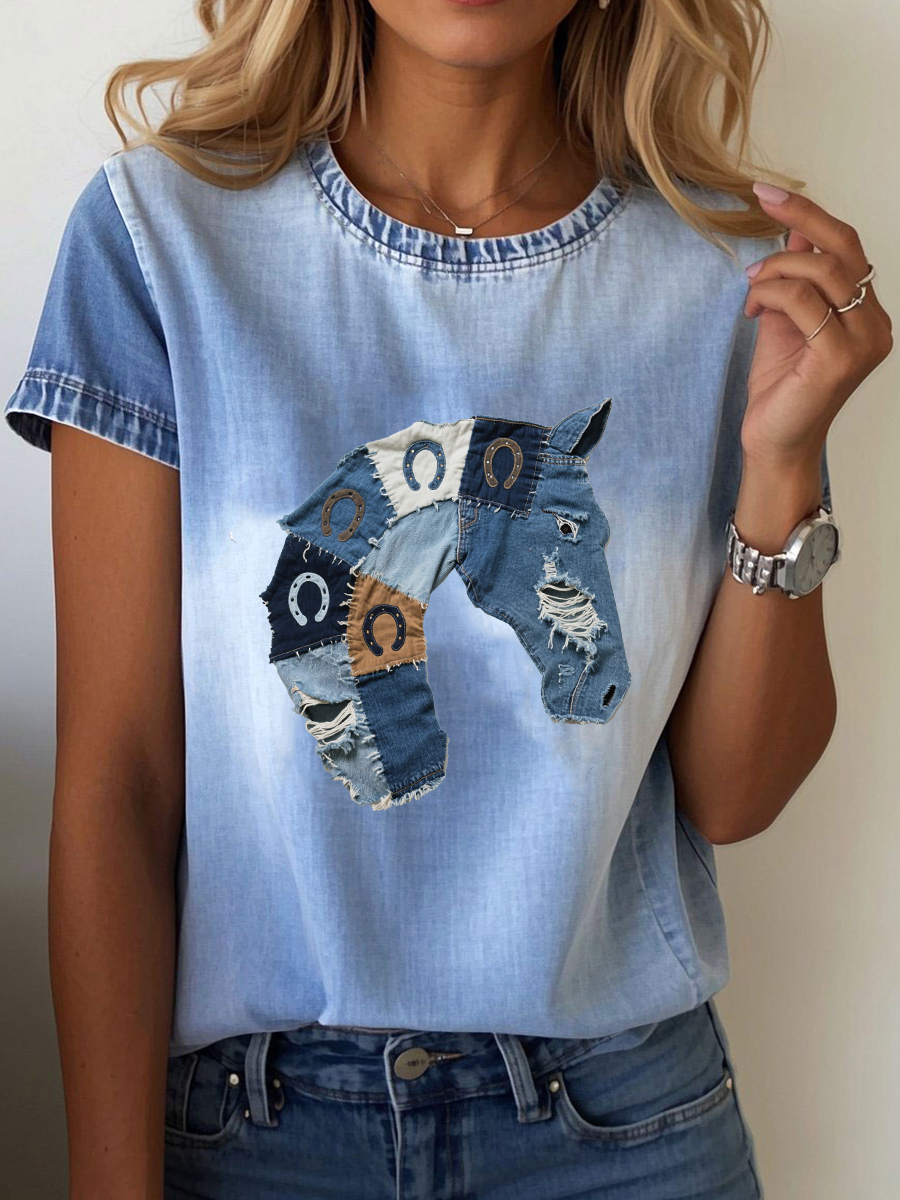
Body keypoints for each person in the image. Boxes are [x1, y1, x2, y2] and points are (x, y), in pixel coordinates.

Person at [4, 0, 892, 1197]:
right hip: (255, 1135)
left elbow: (735, 796)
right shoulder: (162, 239)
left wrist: (783, 470)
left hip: (625, 1130)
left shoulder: (727, 272)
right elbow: (120, 786)